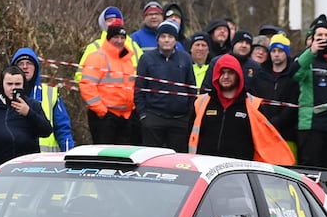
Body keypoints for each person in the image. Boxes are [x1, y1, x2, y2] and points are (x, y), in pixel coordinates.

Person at [186, 54, 294, 165]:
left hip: (239, 171)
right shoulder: (201, 103)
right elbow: (187, 137)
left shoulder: (253, 105)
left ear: (238, 75)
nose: (226, 76)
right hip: (205, 166)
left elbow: (266, 141)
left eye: (230, 72)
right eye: (222, 72)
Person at [0, 65, 53, 170]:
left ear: (23, 85)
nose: (13, 88)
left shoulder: (32, 105)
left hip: (27, 169)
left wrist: (29, 113)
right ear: (2, 85)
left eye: (17, 84)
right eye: (9, 84)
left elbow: (46, 131)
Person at [134, 20, 195, 152]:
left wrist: (188, 116)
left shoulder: (185, 58)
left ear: (175, 40)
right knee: (151, 158)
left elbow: (191, 89)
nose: (166, 40)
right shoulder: (146, 59)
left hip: (180, 120)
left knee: (178, 160)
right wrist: (143, 115)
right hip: (154, 117)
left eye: (170, 37)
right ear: (157, 39)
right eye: (163, 36)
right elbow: (139, 89)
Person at [293, 14, 327, 168]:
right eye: (319, 35)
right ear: (312, 38)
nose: (323, 38)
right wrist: (312, 51)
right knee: (311, 169)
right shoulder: (307, 59)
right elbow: (295, 74)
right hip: (311, 125)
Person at [78, 18, 136, 144]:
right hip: (104, 117)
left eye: (122, 37)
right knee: (105, 158)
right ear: (109, 38)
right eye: (116, 37)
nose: (119, 41)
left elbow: (131, 86)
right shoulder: (97, 57)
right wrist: (102, 111)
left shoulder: (127, 60)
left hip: (125, 117)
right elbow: (87, 86)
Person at [11, 47, 74, 152]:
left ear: (36, 67)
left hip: (46, 162)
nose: (25, 67)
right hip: (17, 161)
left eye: (29, 63)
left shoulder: (50, 94)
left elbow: (63, 130)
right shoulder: (6, 95)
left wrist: (70, 156)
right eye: (21, 63)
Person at [251, 33, 298, 159]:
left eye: (281, 51)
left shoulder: (293, 77)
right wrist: (264, 123)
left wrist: (275, 123)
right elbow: (254, 101)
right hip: (262, 132)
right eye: (274, 51)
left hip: (286, 135)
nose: (276, 54)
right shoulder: (259, 75)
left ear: (286, 53)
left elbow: (293, 105)